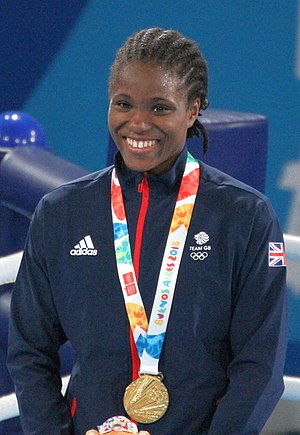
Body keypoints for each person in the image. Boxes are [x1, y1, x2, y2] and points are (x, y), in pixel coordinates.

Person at [7, 27, 287, 434]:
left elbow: (260, 366)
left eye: (159, 108)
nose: (137, 123)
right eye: (123, 104)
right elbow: (30, 351)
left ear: (192, 111)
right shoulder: (62, 214)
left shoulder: (244, 217)